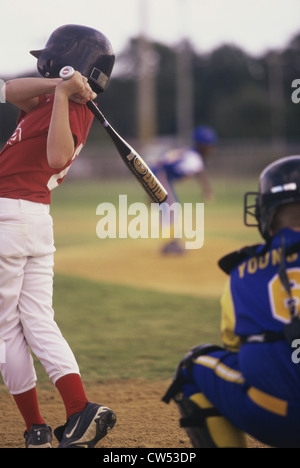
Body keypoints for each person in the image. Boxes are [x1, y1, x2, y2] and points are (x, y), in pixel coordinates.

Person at [0, 25, 116, 448]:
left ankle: (35, 428)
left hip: (8, 218)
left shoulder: (72, 109)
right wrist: (60, 86)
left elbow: (55, 159)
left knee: (6, 331)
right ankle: (79, 410)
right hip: (33, 222)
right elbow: (7, 89)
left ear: (70, 58)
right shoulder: (47, 96)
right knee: (37, 320)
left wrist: (66, 95)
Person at [163, 155, 300, 448]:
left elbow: (236, 346)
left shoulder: (242, 271)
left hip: (279, 418)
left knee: (192, 366)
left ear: (266, 213)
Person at [152, 125, 217, 254]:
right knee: (171, 207)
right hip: (160, 175)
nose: (211, 149)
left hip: (158, 174)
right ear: (201, 145)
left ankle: (171, 241)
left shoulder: (190, 153)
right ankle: (171, 243)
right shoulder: (194, 158)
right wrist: (207, 191)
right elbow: (198, 172)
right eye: (209, 145)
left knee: (170, 207)